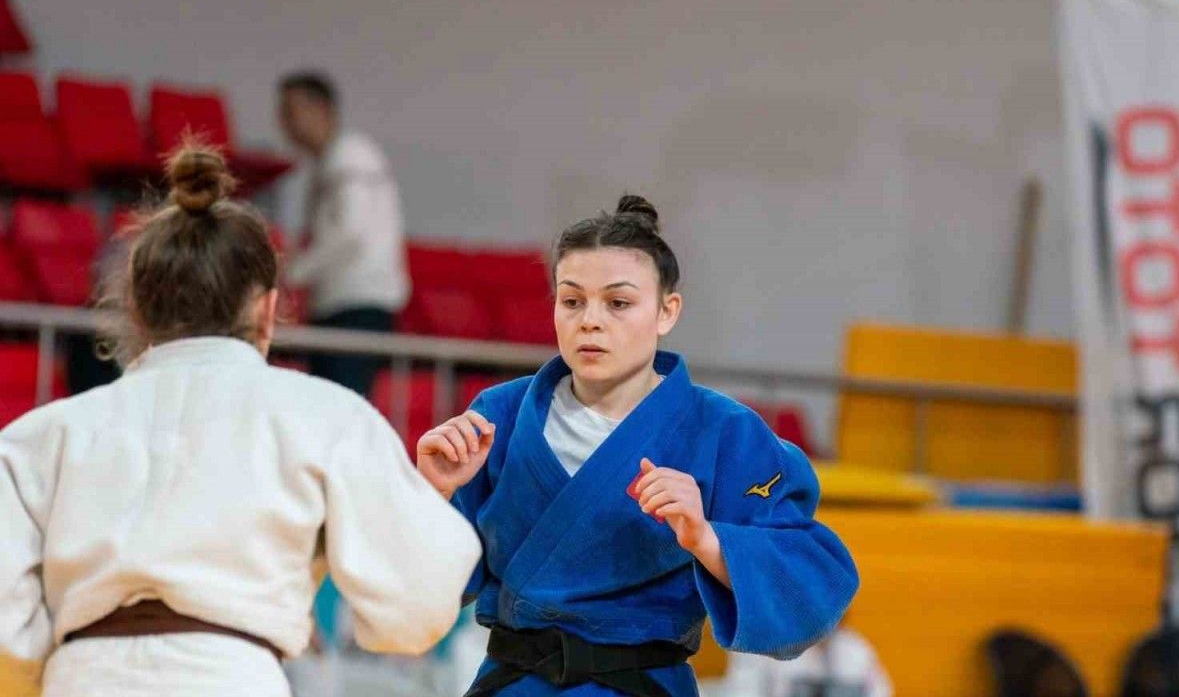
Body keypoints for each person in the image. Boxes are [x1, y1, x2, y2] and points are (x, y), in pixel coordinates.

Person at [0, 144, 481, 697]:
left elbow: (7, 622)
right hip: (232, 677)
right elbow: (416, 605)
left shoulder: (42, 436)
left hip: (83, 679)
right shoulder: (326, 416)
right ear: (266, 309)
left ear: (134, 308)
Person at [416, 195, 859, 697]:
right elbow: (421, 595)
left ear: (667, 311)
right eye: (572, 301)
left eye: (618, 303)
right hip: (514, 683)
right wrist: (434, 494)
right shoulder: (501, 415)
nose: (590, 321)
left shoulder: (723, 432)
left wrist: (707, 538)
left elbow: (811, 589)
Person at [278, 70, 409, 398]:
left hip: (355, 308)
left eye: (291, 111)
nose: (284, 122)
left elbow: (350, 231)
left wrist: (293, 272)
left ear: (320, 108)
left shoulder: (350, 154)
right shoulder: (332, 161)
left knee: (340, 408)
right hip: (338, 306)